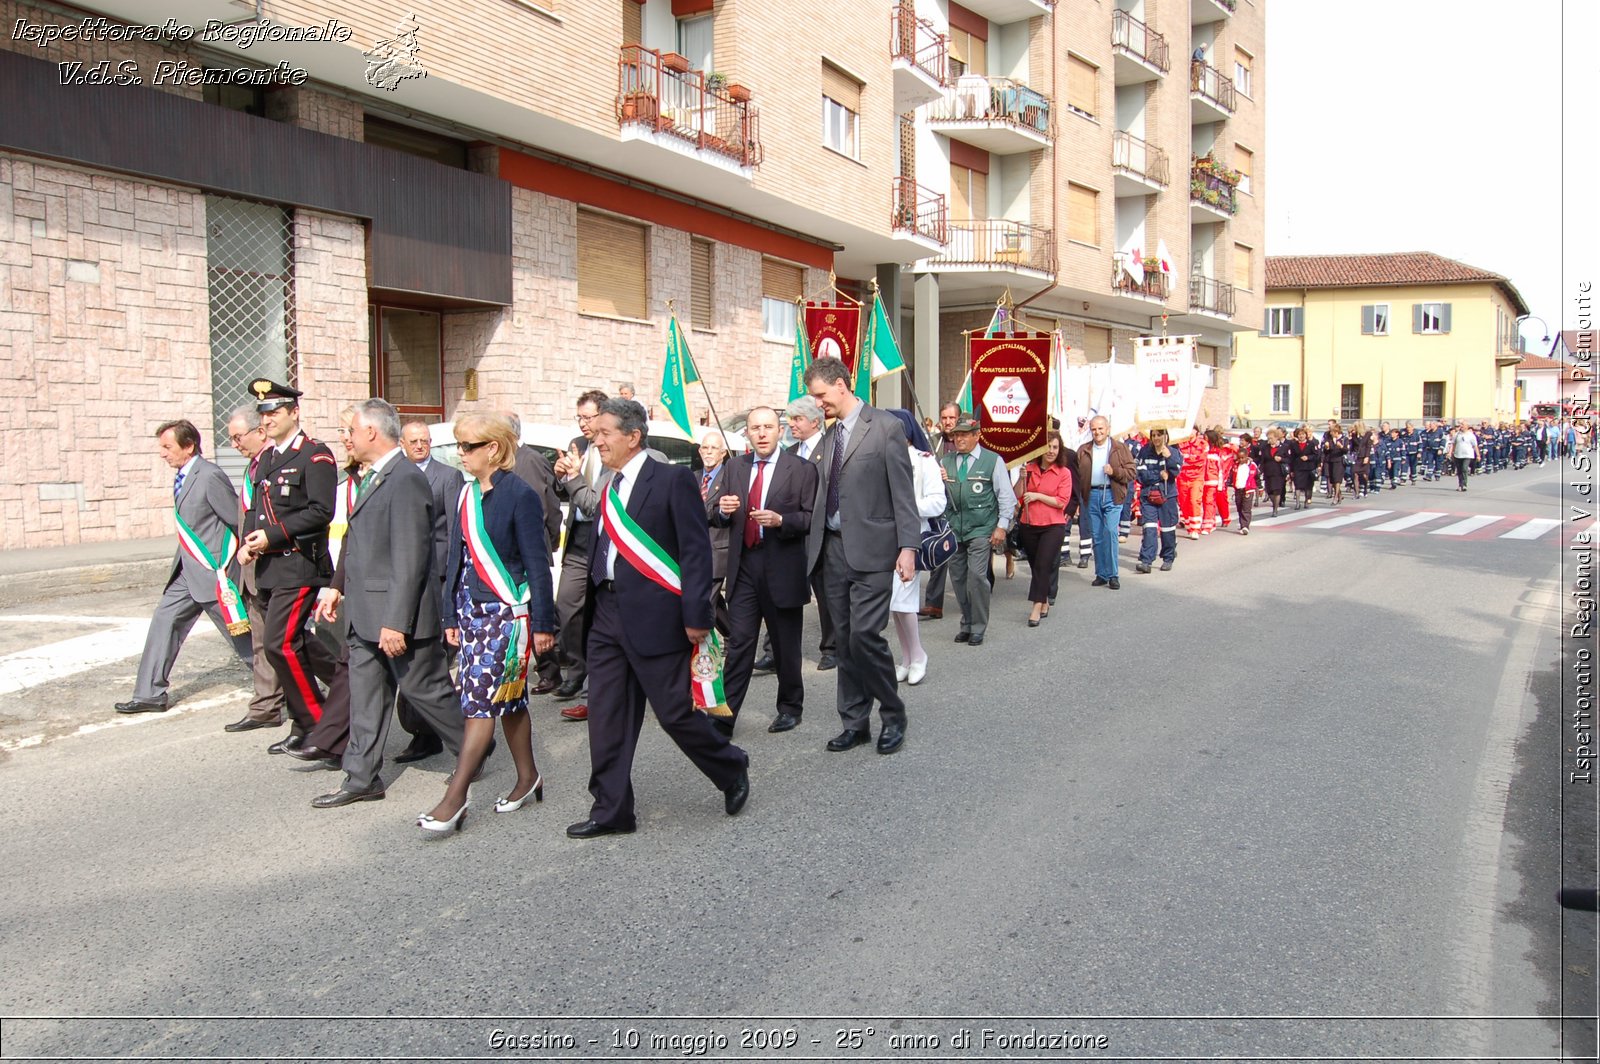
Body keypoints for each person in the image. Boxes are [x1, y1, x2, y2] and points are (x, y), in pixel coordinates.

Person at [568, 399, 750, 838]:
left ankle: (730, 766)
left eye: (606, 431)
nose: (598, 438)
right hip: (607, 614)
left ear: (633, 436)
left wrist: (697, 614)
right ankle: (611, 810)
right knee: (606, 715)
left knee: (675, 714)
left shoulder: (670, 480)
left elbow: (694, 549)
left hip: (657, 616)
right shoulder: (609, 484)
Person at [311, 399, 465, 809]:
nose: (346, 439)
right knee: (366, 698)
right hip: (363, 614)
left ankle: (473, 750)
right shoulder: (374, 476)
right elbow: (358, 543)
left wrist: (396, 622)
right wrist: (336, 587)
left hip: (399, 617)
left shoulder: (405, 478)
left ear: (372, 433)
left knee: (426, 690)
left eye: (351, 432)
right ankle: (361, 778)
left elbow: (411, 556)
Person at [421, 413, 557, 834]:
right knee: (509, 699)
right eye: (459, 447)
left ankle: (455, 797)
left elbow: (537, 563)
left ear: (493, 449)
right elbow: (456, 561)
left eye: (467, 447)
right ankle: (527, 776)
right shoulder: (464, 495)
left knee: (479, 704)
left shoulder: (520, 495)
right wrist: (449, 614)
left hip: (506, 615)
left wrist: (544, 624)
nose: (460, 454)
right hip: (470, 612)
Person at [804, 357, 921, 756]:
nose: (819, 404)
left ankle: (893, 713)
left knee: (865, 636)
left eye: (821, 396)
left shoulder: (885, 428)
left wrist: (909, 547)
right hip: (832, 550)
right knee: (844, 642)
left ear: (841, 384)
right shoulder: (827, 439)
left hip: (873, 550)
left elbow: (903, 495)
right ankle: (855, 723)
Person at [115, 419, 255, 715]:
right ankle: (150, 694)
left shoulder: (209, 476)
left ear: (188, 446)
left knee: (244, 638)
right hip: (186, 572)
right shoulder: (183, 475)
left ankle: (287, 685)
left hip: (215, 573)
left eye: (168, 447)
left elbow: (235, 521)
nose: (162, 454)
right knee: (164, 621)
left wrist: (238, 567)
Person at [236, 380, 345, 754]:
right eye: (262, 414)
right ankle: (323, 706)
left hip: (299, 562)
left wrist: (272, 537)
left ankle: (320, 724)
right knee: (292, 643)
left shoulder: (314, 454)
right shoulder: (264, 458)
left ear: (294, 413)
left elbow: (320, 512)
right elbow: (255, 509)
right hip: (268, 566)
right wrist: (247, 543)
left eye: (274, 412)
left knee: (278, 643)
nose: (266, 420)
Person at [712, 406, 817, 734]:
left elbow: (810, 518)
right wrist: (723, 510)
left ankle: (789, 707)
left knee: (786, 644)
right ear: (747, 432)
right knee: (740, 642)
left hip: (782, 565)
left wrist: (781, 520)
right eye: (755, 427)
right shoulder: (734, 467)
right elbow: (712, 514)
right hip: (744, 566)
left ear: (780, 430)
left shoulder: (801, 469)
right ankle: (723, 718)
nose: (761, 433)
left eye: (767, 427)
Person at [394, 416, 458, 763]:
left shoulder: (447, 477)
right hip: (406, 581)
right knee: (411, 662)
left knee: (430, 663)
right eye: (413, 441)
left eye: (425, 441)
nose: (420, 446)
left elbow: (453, 531)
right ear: (402, 444)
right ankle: (423, 733)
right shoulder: (396, 477)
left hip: (438, 579)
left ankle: (439, 734)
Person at [220, 407, 288, 733]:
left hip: (275, 566)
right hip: (252, 567)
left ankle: (323, 694)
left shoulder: (276, 464)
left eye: (237, 436)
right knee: (262, 640)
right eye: (230, 439)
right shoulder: (252, 468)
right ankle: (266, 706)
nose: (234, 444)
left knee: (284, 641)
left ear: (259, 431)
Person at [550, 389, 609, 713]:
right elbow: (566, 488)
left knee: (599, 614)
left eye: (588, 417)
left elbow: (596, 502)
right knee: (567, 607)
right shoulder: (578, 444)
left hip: (603, 540)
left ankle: (594, 686)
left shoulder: (610, 447)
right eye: (580, 418)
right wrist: (562, 475)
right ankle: (576, 669)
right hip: (578, 537)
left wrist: (572, 478)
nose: (584, 424)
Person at [939, 415, 1016, 647]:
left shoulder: (993, 461)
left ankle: (978, 626)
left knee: (976, 577)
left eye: (964, 435)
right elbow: (937, 495)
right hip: (954, 529)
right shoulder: (946, 462)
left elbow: (1006, 496)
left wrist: (1002, 526)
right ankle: (967, 621)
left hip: (981, 528)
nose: (959, 439)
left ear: (976, 436)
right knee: (959, 579)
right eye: (957, 435)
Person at [506, 412, 566, 696]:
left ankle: (551, 670)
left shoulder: (527, 461)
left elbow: (543, 508)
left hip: (529, 548)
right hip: (515, 550)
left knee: (538, 610)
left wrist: (549, 542)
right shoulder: (511, 460)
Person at [884, 409, 945, 681]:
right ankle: (907, 657)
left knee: (904, 600)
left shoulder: (925, 462)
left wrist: (904, 507)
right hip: (884, 537)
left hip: (912, 537)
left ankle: (918, 654)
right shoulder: (881, 458)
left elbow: (937, 502)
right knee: (895, 605)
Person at [1014, 430, 1073, 624]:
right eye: (1048, 447)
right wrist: (1021, 479)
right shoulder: (1029, 468)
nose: (1051, 451)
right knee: (1035, 566)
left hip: (1053, 525)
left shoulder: (1064, 473)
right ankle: (1044, 598)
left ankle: (1036, 608)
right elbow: (1017, 495)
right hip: (1029, 523)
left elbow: (1061, 502)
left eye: (1055, 447)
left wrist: (1038, 496)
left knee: (1043, 564)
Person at [1074, 416, 1137, 590]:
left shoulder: (1119, 448)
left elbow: (1131, 472)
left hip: (1112, 494)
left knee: (1110, 532)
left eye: (1101, 429)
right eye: (1094, 429)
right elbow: (1077, 475)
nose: (1097, 432)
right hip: (1092, 495)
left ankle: (1113, 574)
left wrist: (1114, 471)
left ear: (1108, 429)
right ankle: (1101, 573)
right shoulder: (1084, 450)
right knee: (1097, 535)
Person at [920, 401, 964, 620]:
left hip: (962, 505)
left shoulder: (964, 443)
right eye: (944, 418)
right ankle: (934, 603)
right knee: (940, 547)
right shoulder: (932, 443)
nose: (947, 422)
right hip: (939, 505)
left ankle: (980, 588)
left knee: (967, 552)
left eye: (951, 418)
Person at [1134, 428, 1182, 573]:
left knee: (1167, 529)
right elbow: (1140, 475)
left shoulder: (1173, 451)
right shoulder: (1144, 451)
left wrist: (1169, 458)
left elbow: (1176, 471)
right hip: (1148, 495)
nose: (1156, 438)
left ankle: (1168, 557)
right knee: (1149, 528)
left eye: (1159, 435)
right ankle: (1146, 560)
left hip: (1167, 495)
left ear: (1166, 435)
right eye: (1153, 435)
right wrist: (1159, 475)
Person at [1176, 429, 1208, 538]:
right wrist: (1190, 460)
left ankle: (1195, 528)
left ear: (1196, 432)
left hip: (1196, 478)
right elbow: (1178, 460)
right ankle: (1188, 523)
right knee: (1183, 502)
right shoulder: (1180, 444)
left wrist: (1187, 460)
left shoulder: (1203, 444)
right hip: (1182, 477)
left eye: (1192, 430)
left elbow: (1201, 460)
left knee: (1194, 501)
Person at [1232, 439, 1261, 535]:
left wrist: (1260, 488)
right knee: (1239, 507)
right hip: (1238, 489)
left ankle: (1245, 526)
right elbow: (1231, 476)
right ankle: (1242, 524)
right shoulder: (1235, 466)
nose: (1241, 460)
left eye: (1243, 458)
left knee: (1246, 509)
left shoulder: (1252, 466)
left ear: (1247, 457)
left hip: (1248, 490)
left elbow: (1257, 477)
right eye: (1239, 458)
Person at [1289, 426, 1319, 509]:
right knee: (1297, 485)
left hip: (1308, 468)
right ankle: (1298, 502)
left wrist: (1308, 457)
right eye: (1299, 434)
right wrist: (1291, 470)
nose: (1301, 436)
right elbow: (1291, 457)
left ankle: (1306, 501)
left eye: (1302, 434)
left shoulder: (1311, 443)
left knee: (1308, 486)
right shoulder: (1294, 444)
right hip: (1298, 467)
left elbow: (1316, 455)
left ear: (1305, 435)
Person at [1320, 420, 1347, 504]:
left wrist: (1341, 447)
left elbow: (1346, 450)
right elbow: (1325, 451)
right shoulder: (1329, 439)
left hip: (1339, 461)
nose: (1330, 433)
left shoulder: (1343, 439)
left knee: (1337, 479)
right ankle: (1339, 495)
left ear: (1336, 432)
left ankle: (1335, 497)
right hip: (1330, 461)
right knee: (1333, 480)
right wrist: (1326, 447)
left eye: (1332, 431)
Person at [1450, 422, 1479, 491]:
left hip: (1467, 455)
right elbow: (1453, 444)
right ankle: (1460, 484)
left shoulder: (1471, 435)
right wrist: (1451, 452)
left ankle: (1464, 484)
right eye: (1461, 425)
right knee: (1459, 470)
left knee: (1464, 468)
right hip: (1458, 454)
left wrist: (1478, 455)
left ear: (1467, 426)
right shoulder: (1457, 435)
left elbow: (1475, 445)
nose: (1461, 426)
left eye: (1463, 425)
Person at [1350, 421, 1373, 498]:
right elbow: (1352, 446)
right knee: (1354, 474)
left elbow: (1368, 446)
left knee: (1364, 475)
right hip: (1356, 457)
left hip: (1364, 457)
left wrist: (1367, 456)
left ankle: (1365, 489)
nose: (1354, 428)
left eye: (1355, 427)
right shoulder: (1354, 435)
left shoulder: (1368, 434)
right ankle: (1356, 492)